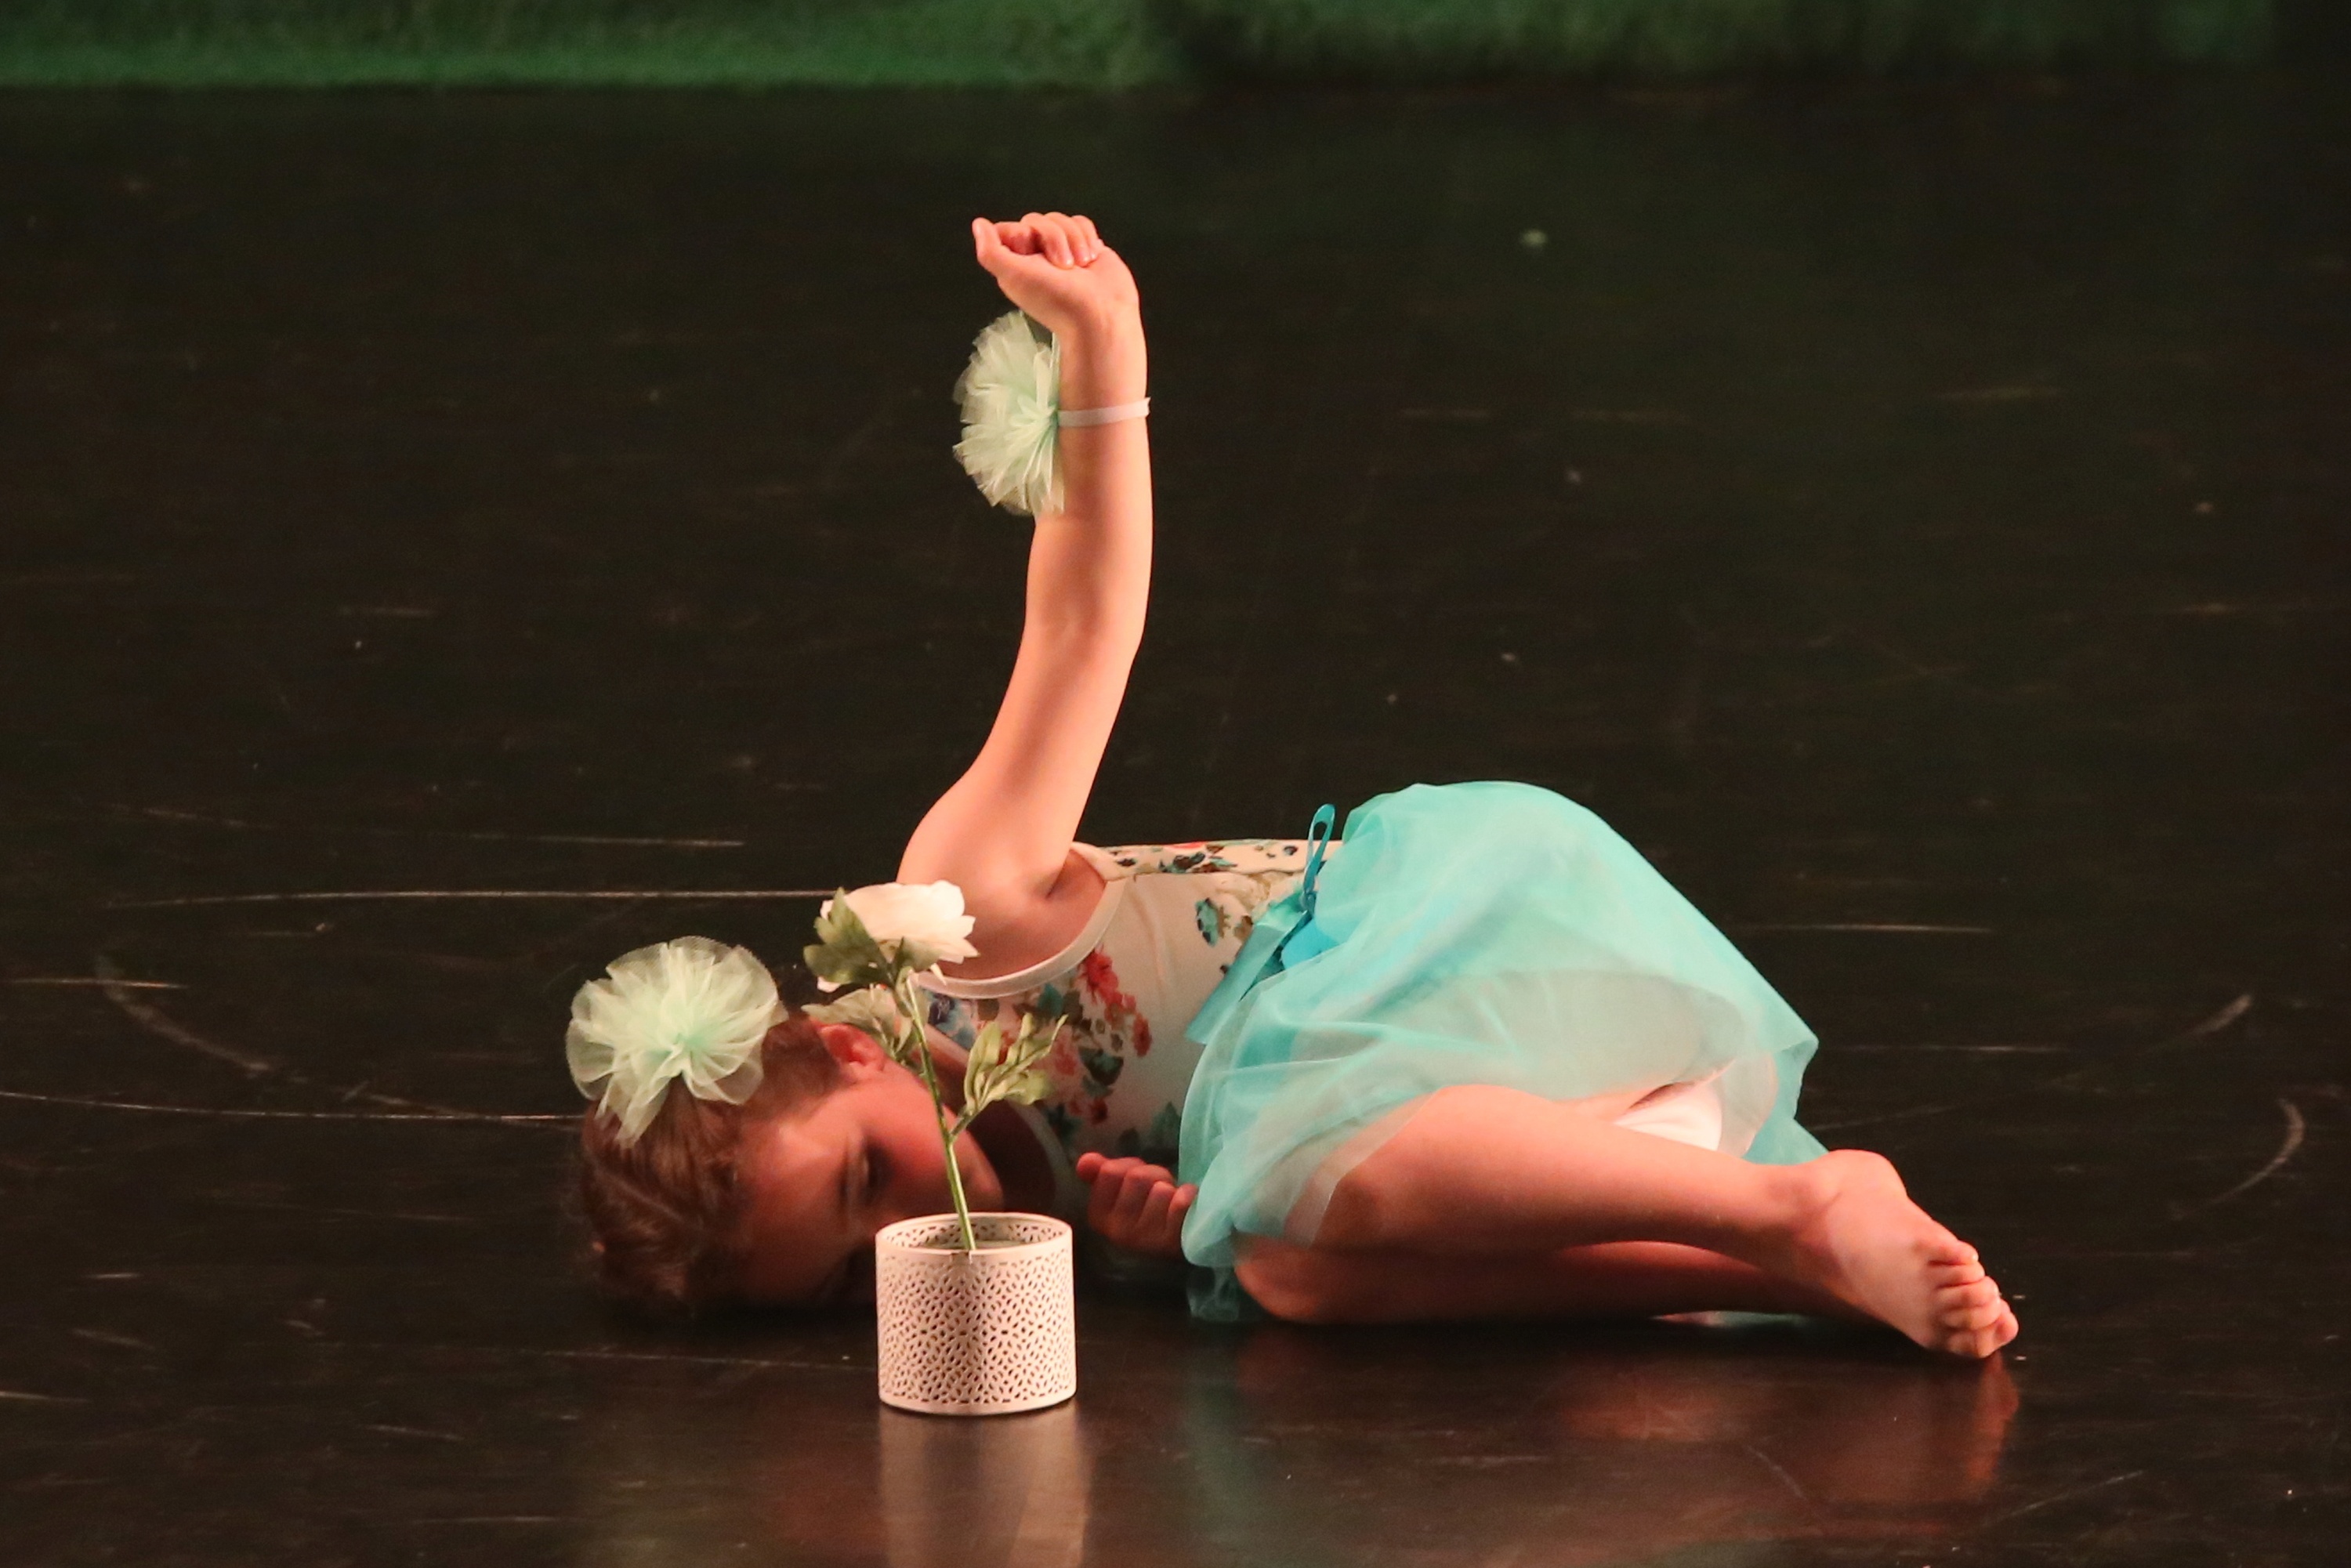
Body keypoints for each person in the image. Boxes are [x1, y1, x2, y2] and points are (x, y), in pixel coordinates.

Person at [574, 212, 2019, 1359]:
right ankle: (1785, 1267)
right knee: (1283, 1272)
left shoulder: (959, 920)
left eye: (865, 1182)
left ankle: (1791, 1201)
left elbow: (1079, 629)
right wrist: (1162, 1241)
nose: (910, 1236)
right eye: (854, 1277)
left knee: (1281, 1192)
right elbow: (1251, 1190)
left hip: (1472, 934)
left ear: (848, 1051)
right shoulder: (1019, 1225)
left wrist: (1103, 349)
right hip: (1529, 1140)